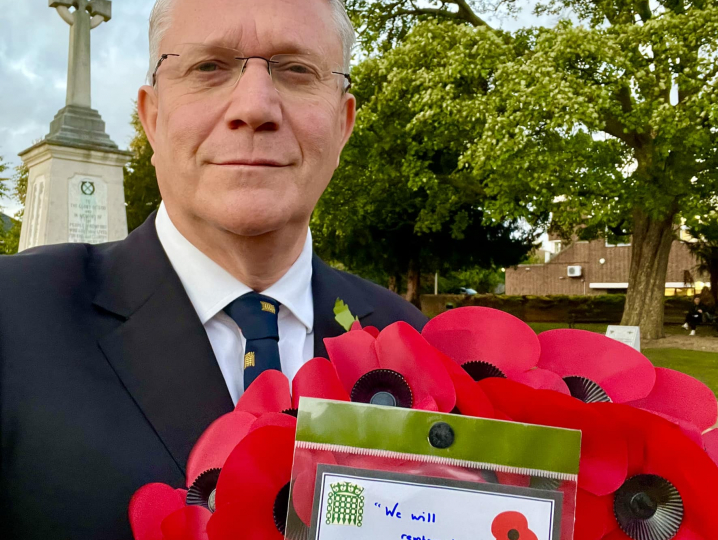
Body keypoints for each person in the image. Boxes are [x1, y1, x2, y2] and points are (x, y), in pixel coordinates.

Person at [0, 1, 426, 538]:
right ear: (152, 117)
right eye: (209, 67)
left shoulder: (407, 338)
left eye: (296, 69)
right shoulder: (11, 319)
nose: (254, 106)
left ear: (342, 125)